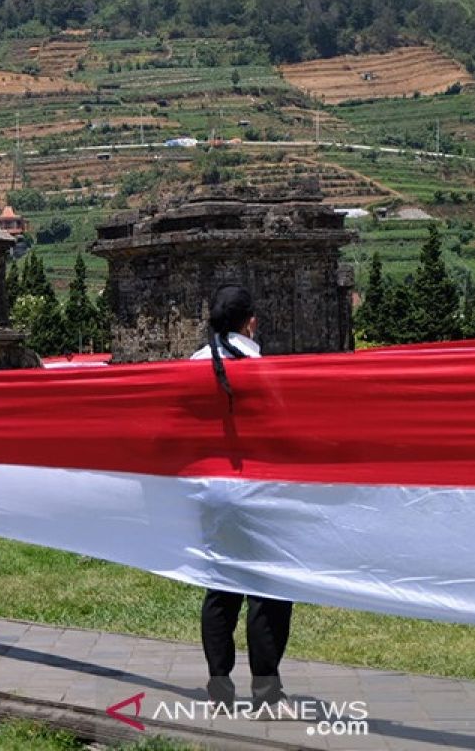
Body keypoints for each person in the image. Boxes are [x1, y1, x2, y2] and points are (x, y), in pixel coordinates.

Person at [190, 284, 292, 712]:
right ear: (250, 321)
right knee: (269, 590)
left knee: (222, 588)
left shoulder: (193, 364)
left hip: (210, 492)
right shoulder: (259, 366)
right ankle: (266, 690)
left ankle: (219, 687)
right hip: (256, 488)